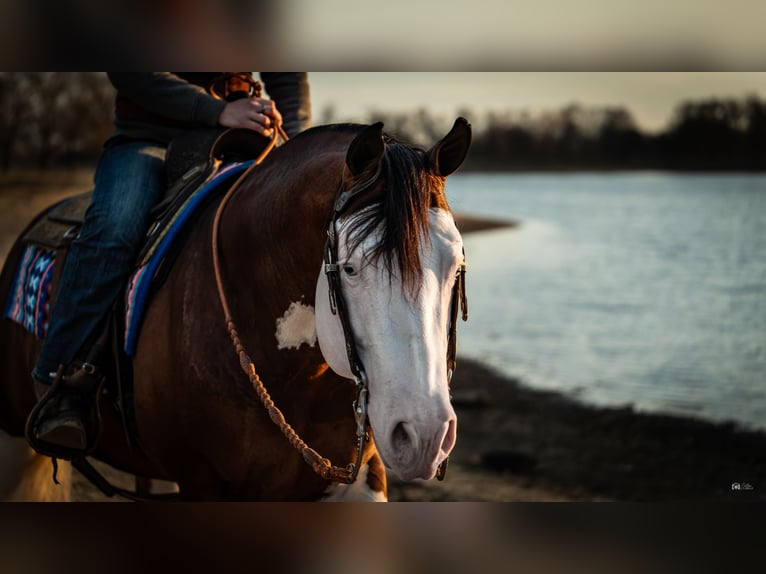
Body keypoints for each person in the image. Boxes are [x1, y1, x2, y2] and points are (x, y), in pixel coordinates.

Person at [27, 72, 311, 457]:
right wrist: (218, 110)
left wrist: (298, 146)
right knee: (115, 228)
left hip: (244, 138)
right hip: (150, 141)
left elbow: (288, 76)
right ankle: (61, 383)